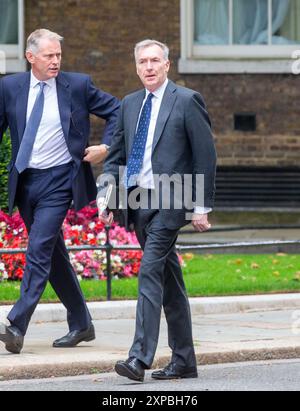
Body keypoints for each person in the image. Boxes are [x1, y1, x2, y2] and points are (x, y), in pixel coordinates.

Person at [98, 39, 217, 382]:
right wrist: (108, 198)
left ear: (167, 65)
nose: (148, 67)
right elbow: (117, 156)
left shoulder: (186, 100)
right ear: (136, 67)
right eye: (142, 62)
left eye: (155, 61)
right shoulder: (130, 104)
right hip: (138, 204)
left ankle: (138, 358)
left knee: (149, 271)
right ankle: (184, 360)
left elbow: (204, 156)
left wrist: (200, 207)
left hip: (170, 201)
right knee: (170, 281)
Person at [0, 29, 120, 354]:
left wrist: (105, 147)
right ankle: (82, 323)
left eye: (58, 55)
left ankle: (16, 324)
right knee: (53, 255)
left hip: (59, 181)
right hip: (26, 182)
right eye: (49, 56)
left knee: (39, 248)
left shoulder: (77, 85)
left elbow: (118, 110)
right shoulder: (9, 87)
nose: (55, 61)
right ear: (30, 57)